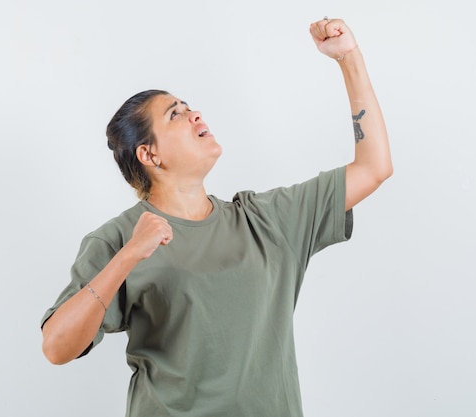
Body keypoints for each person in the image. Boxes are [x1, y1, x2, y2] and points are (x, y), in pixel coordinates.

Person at [40, 18, 392, 417]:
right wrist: (129, 256)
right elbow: (57, 347)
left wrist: (349, 58)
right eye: (175, 114)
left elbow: (373, 168)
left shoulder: (265, 220)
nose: (194, 114)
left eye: (190, 107)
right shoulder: (118, 238)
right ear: (149, 154)